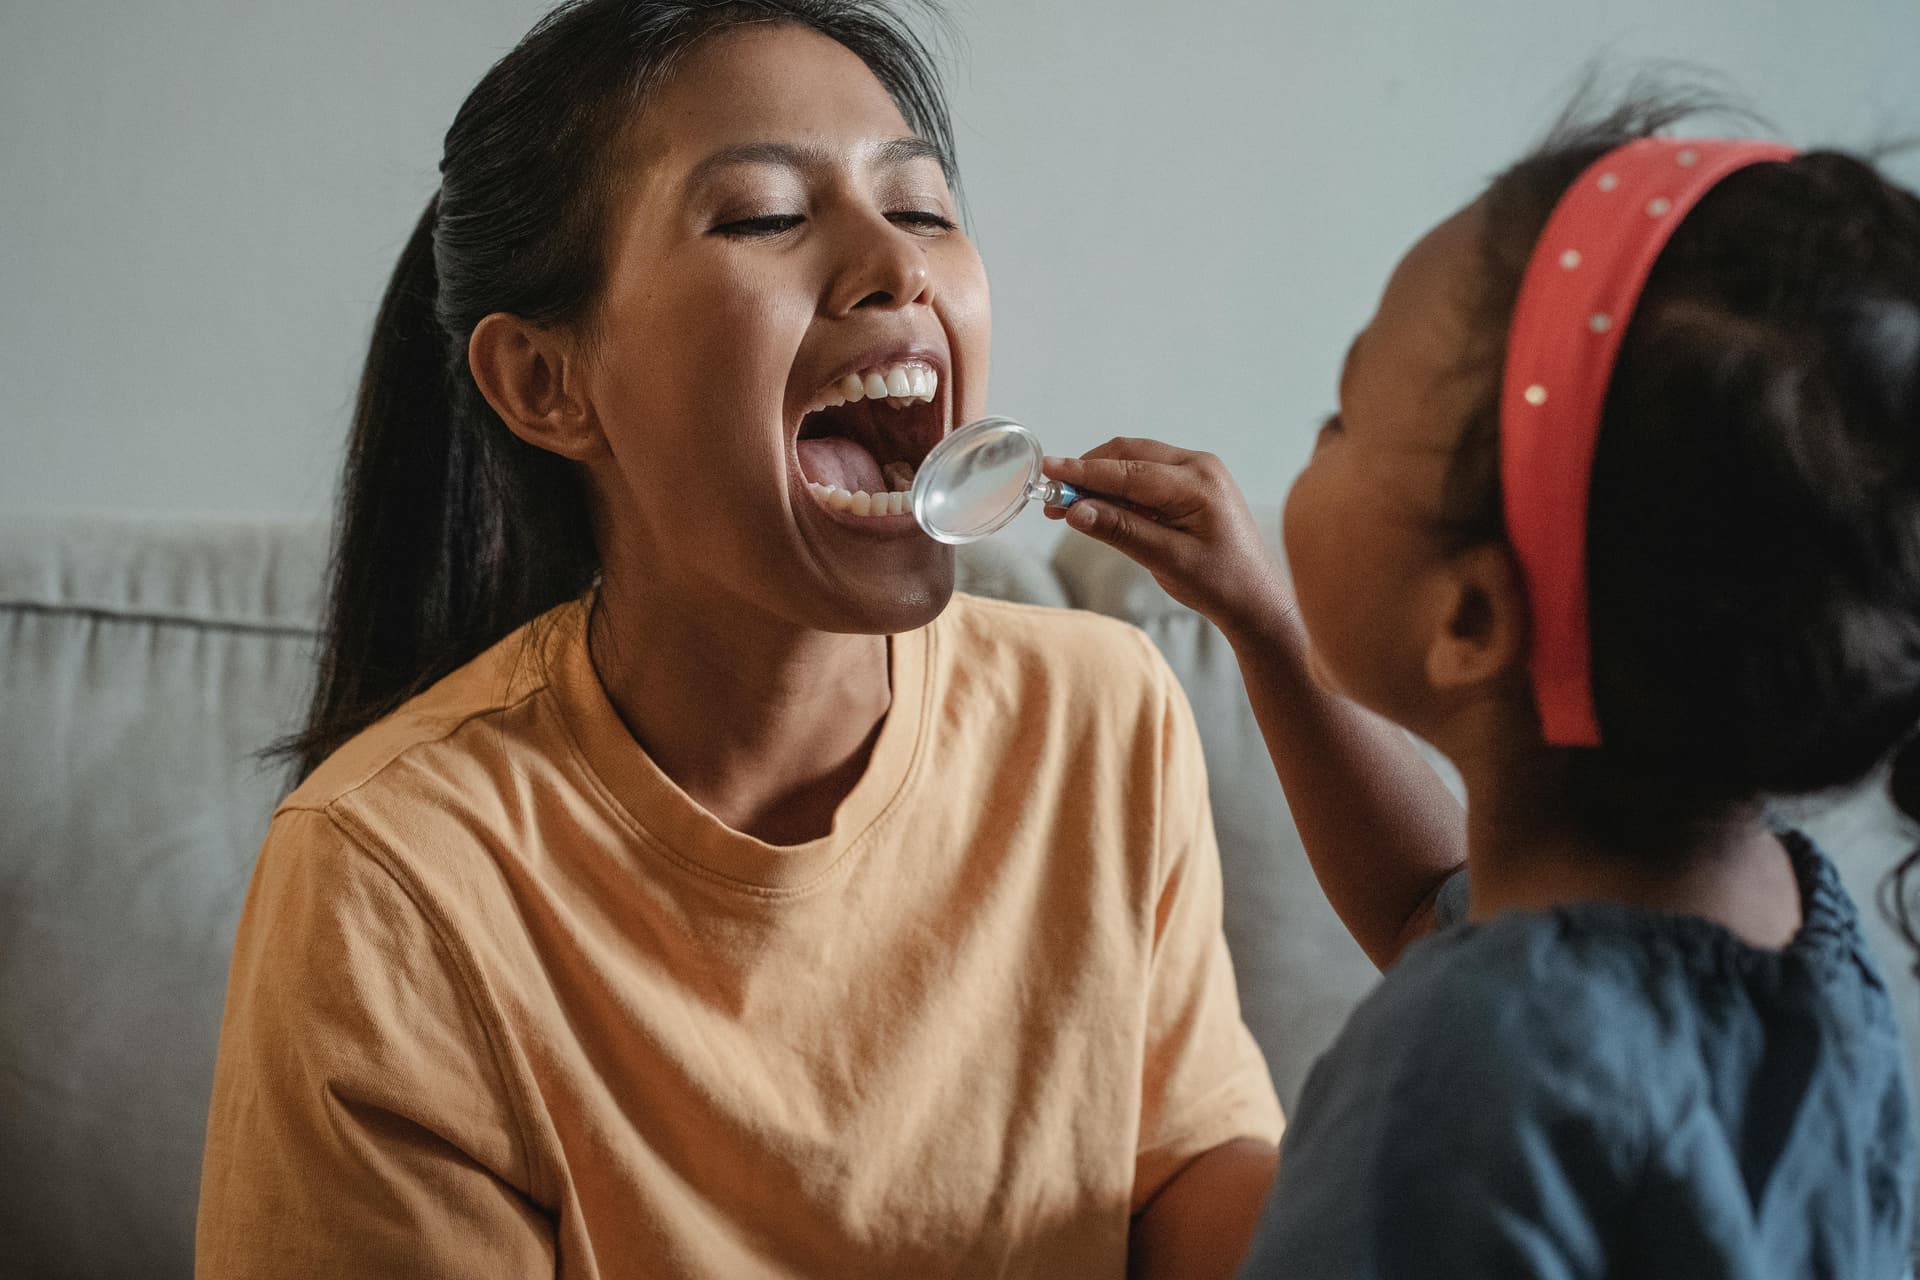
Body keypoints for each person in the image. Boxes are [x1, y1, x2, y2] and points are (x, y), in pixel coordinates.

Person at [193, 2, 1296, 1275]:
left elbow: (1182, 1174)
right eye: (765, 213)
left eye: (924, 208)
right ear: (548, 384)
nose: (897, 267)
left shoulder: (1101, 711)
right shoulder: (392, 876)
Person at [1045, 97, 1920, 1276]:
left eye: (1339, 417)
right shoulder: (1796, 933)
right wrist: (1263, 621)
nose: (1313, 442)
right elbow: (1432, 913)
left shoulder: (1455, 1079)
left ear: (1468, 616)